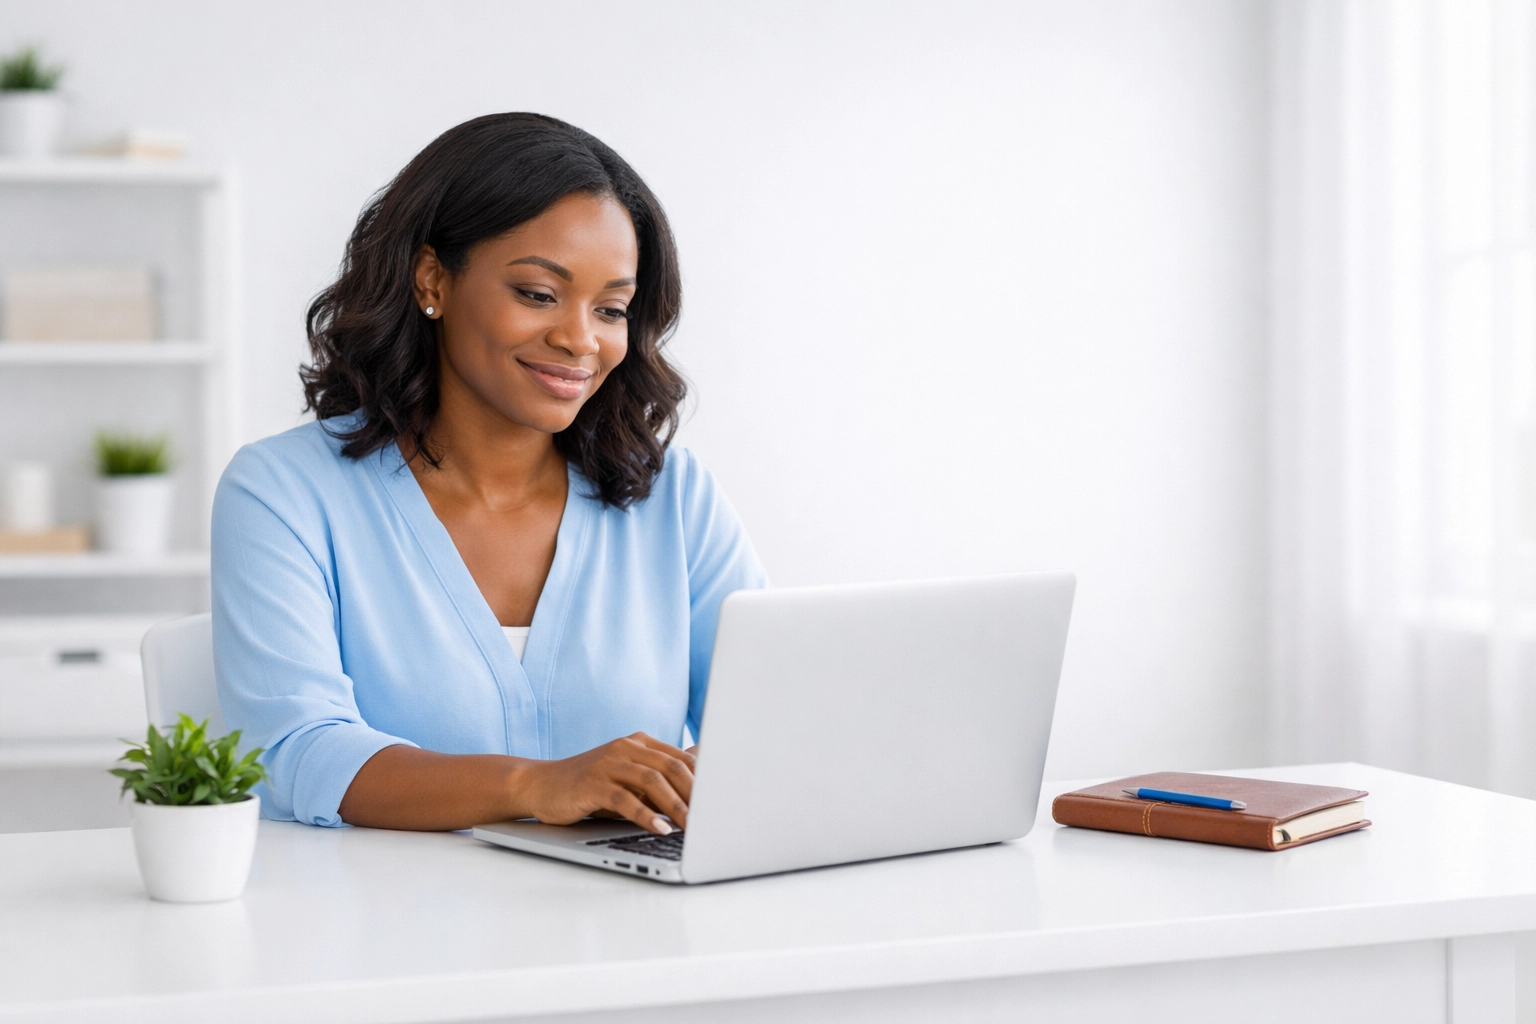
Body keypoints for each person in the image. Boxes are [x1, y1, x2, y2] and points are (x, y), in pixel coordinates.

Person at [211, 113, 766, 834]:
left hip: (633, 931)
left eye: (611, 309)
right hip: (375, 931)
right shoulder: (283, 493)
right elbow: (299, 752)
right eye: (538, 293)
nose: (579, 339)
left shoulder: (674, 498)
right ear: (432, 279)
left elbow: (768, 730)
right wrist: (538, 784)